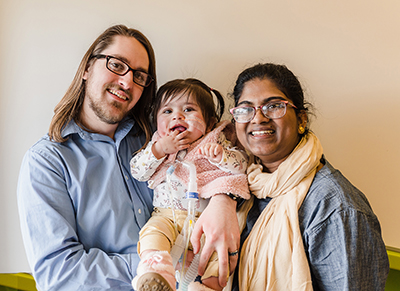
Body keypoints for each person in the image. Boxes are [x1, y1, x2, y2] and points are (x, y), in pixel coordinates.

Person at [17, 25, 240, 291]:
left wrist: (223, 201)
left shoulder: (158, 140)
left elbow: (213, 167)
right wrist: (157, 264)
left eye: (139, 76)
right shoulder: (47, 162)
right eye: (117, 65)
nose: (127, 82)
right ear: (87, 68)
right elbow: (59, 273)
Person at [228, 63, 389, 290]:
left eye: (274, 106)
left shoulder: (335, 206)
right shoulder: (239, 185)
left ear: (302, 120)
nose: (258, 118)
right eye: (246, 109)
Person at [129, 78, 250, 291]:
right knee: (152, 234)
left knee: (214, 255)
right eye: (167, 111)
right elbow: (137, 171)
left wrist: (222, 156)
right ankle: (156, 273)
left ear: (210, 122)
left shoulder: (216, 140)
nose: (177, 115)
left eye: (188, 109)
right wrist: (159, 150)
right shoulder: (158, 143)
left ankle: (207, 287)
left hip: (206, 221)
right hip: (166, 215)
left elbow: (242, 166)